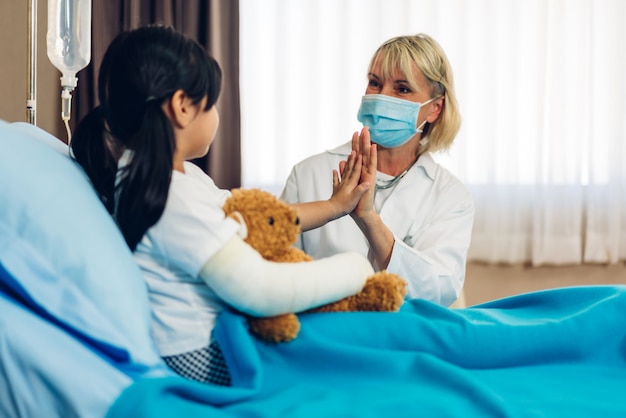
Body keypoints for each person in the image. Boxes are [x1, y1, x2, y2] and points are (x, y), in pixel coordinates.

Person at [70, 25, 375, 386]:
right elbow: (259, 289)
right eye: (210, 103)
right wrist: (356, 270)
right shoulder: (171, 197)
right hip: (202, 356)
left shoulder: (159, 178)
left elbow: (258, 219)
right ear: (183, 107)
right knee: (351, 367)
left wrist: (335, 205)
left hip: (210, 341)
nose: (215, 114)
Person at [281, 34, 475, 307]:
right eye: (375, 82)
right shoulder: (308, 174)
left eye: (402, 89)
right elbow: (275, 268)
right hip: (323, 333)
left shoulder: (450, 196)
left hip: (402, 339)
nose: (381, 96)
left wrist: (370, 220)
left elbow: (439, 292)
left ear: (434, 108)